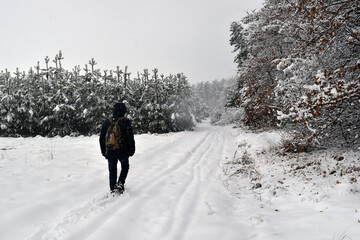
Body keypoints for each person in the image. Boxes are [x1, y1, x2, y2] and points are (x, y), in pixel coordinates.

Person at [99, 102, 135, 193]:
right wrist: (131, 150)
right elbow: (130, 137)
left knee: (112, 169)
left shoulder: (107, 121)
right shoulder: (125, 121)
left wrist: (104, 151)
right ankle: (120, 183)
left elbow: (102, 138)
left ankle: (112, 188)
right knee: (125, 167)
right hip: (122, 150)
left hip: (110, 150)